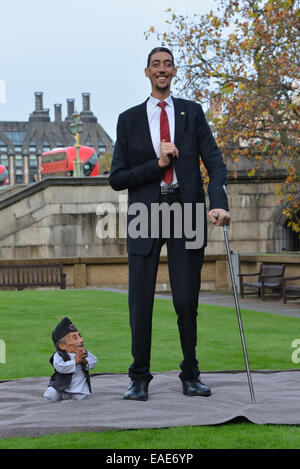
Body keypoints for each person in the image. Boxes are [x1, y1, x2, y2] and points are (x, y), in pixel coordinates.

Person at [109, 47, 230, 401]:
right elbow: (117, 178)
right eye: (156, 65)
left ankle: (191, 374)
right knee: (140, 301)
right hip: (144, 214)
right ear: (146, 72)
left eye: (167, 65)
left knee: (186, 300)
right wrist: (158, 164)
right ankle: (139, 378)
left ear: (174, 71)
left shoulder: (192, 113)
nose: (162, 70)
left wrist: (218, 204)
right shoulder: (128, 120)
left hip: (188, 211)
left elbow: (216, 163)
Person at [43, 317, 97, 402]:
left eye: (80, 336)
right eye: (75, 338)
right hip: (60, 386)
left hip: (79, 387)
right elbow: (60, 367)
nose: (81, 340)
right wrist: (75, 361)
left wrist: (85, 361)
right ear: (62, 346)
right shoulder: (59, 355)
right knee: (50, 395)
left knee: (81, 398)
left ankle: (74, 399)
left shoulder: (84, 353)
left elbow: (93, 361)